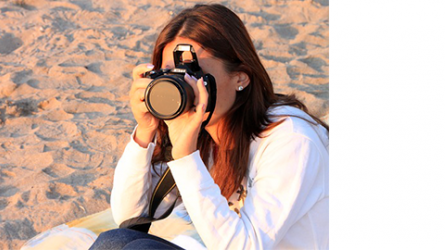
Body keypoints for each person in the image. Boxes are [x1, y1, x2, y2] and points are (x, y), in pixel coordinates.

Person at [89, 3, 329, 250]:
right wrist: (144, 132)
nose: (186, 87)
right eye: (173, 75)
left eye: (195, 73)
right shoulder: (196, 130)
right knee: (113, 243)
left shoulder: (291, 140)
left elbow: (243, 246)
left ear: (240, 77)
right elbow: (130, 217)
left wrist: (185, 157)